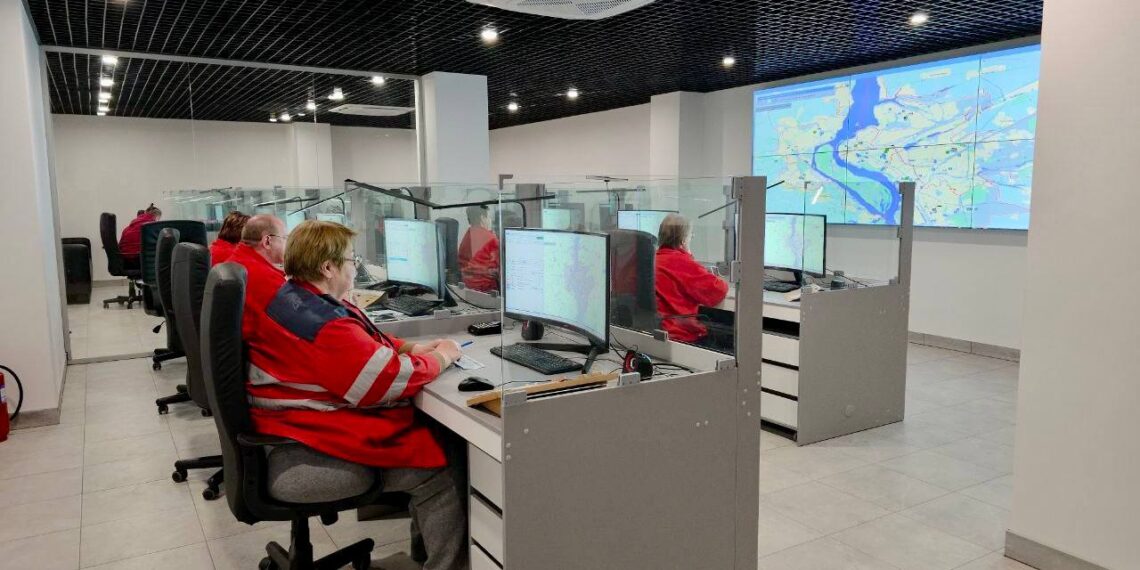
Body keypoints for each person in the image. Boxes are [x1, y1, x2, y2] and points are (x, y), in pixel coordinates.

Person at [245, 220, 466, 570]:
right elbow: (384, 380)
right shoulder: (325, 324)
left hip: (286, 429)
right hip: (306, 443)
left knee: (435, 438)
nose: (354, 267)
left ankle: (423, 559)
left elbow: (361, 343)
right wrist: (443, 356)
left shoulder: (296, 298)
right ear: (328, 267)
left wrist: (410, 347)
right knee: (443, 468)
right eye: (351, 260)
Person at [654, 213, 729, 345]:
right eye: (690, 236)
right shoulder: (682, 263)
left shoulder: (653, 259)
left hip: (656, 333)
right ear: (683, 240)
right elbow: (718, 291)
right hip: (681, 336)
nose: (691, 239)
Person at [225, 214, 287, 338]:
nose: (287, 244)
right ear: (267, 241)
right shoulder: (265, 278)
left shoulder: (239, 260)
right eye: (284, 238)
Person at [458, 205, 500, 292]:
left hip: (466, 287)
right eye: (489, 217)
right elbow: (499, 269)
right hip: (486, 289)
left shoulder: (467, 236)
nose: (490, 220)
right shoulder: (491, 239)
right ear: (482, 218)